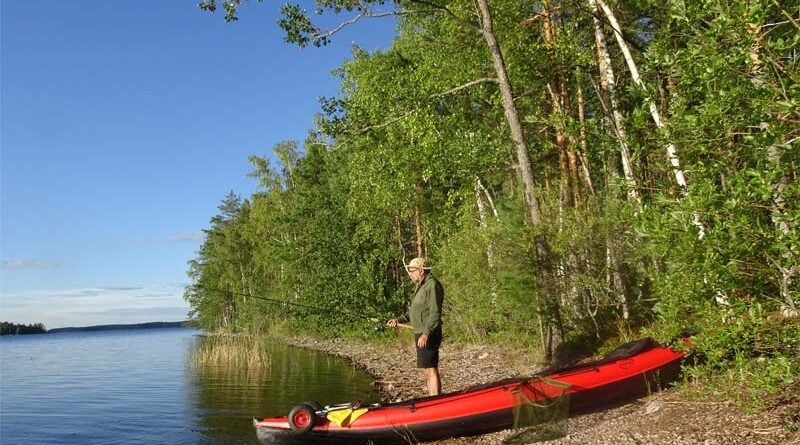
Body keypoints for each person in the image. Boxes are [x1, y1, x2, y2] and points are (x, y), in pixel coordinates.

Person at [387, 257, 445, 396]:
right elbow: (413, 311)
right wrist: (398, 319)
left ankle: (436, 401)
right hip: (421, 332)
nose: (410, 274)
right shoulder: (421, 285)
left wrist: (426, 333)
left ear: (421, 271)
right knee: (427, 369)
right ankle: (432, 399)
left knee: (431, 369)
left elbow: (435, 312)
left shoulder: (432, 285)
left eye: (412, 270)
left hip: (428, 333)